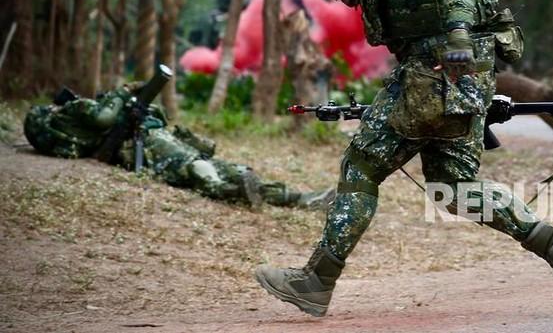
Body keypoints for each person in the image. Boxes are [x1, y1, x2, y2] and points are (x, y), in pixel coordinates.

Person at [254, 0, 553, 317]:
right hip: (448, 68)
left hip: (439, 66)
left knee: (364, 164)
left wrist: (455, 49)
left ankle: (316, 281)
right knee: (452, 186)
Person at [23, 84, 334, 209]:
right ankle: (228, 189)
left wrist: (139, 107)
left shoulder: (66, 136)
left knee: (215, 165)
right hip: (141, 144)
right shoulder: (73, 112)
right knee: (191, 163)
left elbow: (157, 117)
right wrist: (123, 91)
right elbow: (104, 117)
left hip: (150, 139)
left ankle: (299, 198)